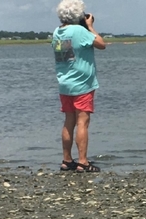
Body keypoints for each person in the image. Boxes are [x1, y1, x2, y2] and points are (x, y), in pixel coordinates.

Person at [52, 0, 106, 173]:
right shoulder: (80, 31)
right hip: (82, 83)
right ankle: (83, 161)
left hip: (65, 84)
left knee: (69, 121)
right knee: (83, 122)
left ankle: (67, 160)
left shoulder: (57, 32)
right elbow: (101, 44)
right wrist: (89, 26)